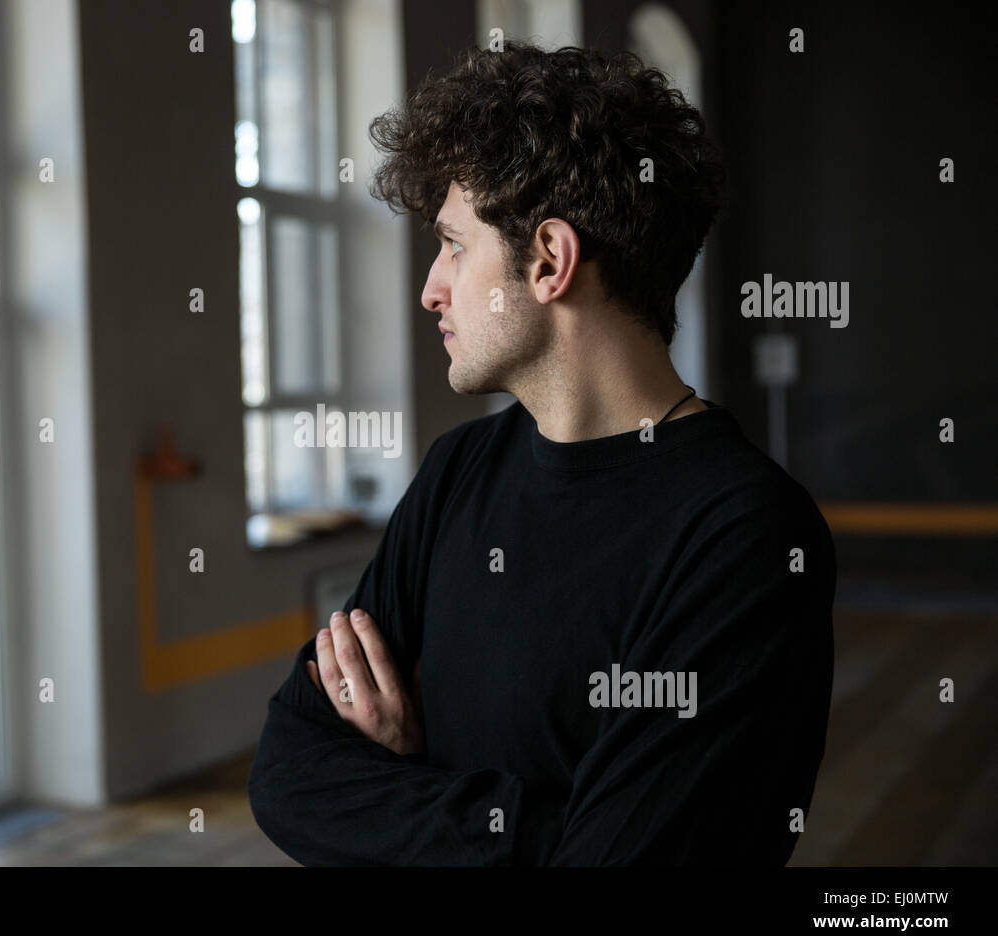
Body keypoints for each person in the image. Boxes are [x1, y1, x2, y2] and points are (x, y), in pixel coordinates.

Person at [246, 42, 835, 866]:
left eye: (454, 245)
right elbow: (285, 769)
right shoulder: (457, 472)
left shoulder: (747, 535)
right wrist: (548, 828)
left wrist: (402, 780)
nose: (431, 288)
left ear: (551, 261)